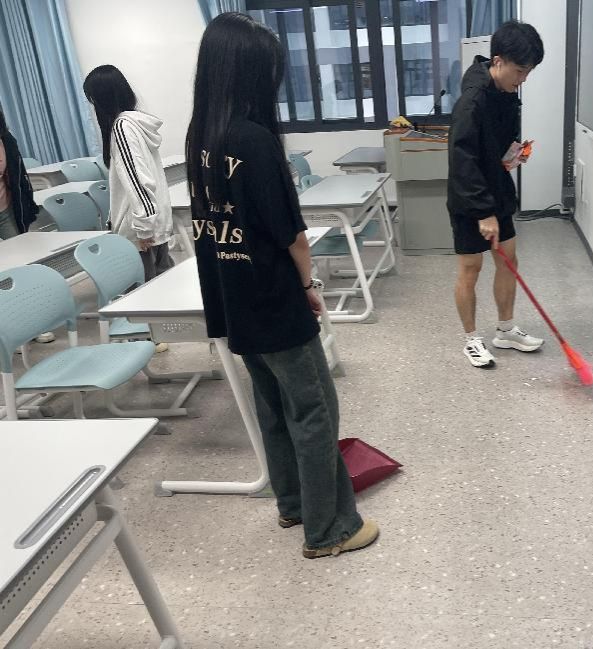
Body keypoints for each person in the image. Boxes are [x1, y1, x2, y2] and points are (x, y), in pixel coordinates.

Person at [185, 12, 378, 558]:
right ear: (250, 73)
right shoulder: (255, 140)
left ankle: (293, 503)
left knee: (271, 405)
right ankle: (329, 529)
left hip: (233, 296)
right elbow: (291, 234)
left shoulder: (200, 135)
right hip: (273, 297)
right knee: (314, 408)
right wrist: (308, 284)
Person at [447, 20, 545, 368]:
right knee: (471, 267)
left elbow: (498, 143)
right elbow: (462, 161)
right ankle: (471, 339)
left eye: (529, 72)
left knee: (508, 260)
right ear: (498, 61)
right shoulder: (472, 101)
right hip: (469, 197)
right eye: (520, 71)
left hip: (497, 191)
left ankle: (505, 330)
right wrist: (483, 212)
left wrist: (513, 155)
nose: (524, 79)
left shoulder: (507, 92)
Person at [83, 65, 174, 282]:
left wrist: (144, 228)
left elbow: (137, 180)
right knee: (163, 285)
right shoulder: (135, 123)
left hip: (142, 229)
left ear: (101, 99)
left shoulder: (122, 128)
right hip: (154, 221)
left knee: (146, 291)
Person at [0, 106, 54, 344]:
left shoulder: (6, 140)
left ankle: (31, 324)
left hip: (7, 210)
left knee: (21, 267)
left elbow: (19, 177)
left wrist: (27, 206)